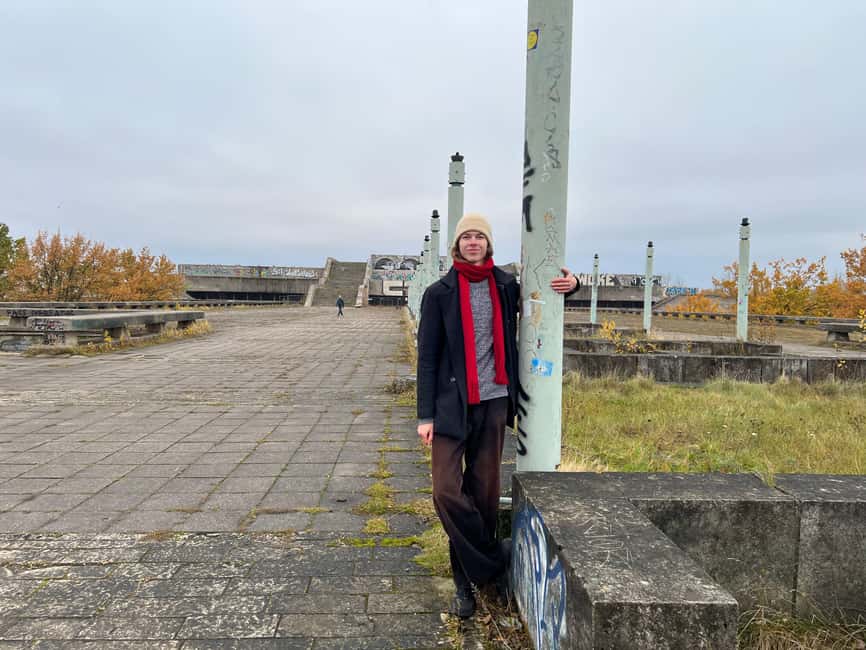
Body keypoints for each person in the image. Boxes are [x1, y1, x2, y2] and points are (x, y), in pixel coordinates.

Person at [416, 213, 578, 618]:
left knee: (484, 496)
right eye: (466, 237)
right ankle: (493, 561)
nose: (473, 242)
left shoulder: (505, 286)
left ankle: (464, 586)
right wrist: (425, 415)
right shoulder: (439, 293)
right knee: (446, 492)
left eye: (480, 237)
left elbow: (543, 293)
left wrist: (575, 285)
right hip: (450, 408)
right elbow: (428, 360)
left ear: (488, 245)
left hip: (493, 404)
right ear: (456, 245)